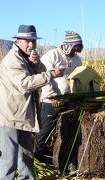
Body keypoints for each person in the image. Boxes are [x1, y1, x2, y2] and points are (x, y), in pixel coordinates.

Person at [0, 25, 64, 180]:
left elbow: (40, 74)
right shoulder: (12, 60)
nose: (31, 44)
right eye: (27, 41)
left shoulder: (26, 58)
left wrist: (37, 63)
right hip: (8, 116)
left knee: (26, 155)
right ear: (18, 41)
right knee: (9, 160)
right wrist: (52, 73)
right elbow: (25, 84)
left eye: (33, 40)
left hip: (24, 115)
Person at [35, 31, 83, 165]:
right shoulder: (51, 56)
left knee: (68, 130)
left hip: (69, 101)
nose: (76, 53)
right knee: (45, 130)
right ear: (68, 46)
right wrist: (52, 97)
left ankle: (67, 159)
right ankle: (39, 158)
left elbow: (79, 77)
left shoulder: (77, 59)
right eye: (74, 50)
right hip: (52, 102)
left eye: (77, 51)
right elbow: (45, 79)